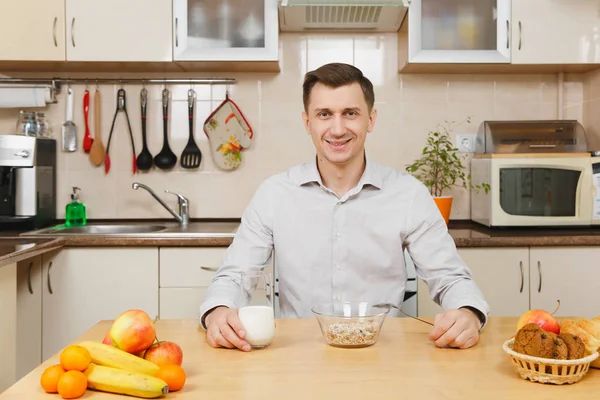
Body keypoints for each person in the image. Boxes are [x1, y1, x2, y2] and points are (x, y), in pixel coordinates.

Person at [199, 62, 490, 352]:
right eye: (324, 114)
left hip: (383, 357)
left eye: (350, 113)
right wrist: (218, 311)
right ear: (307, 122)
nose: (337, 129)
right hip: (295, 358)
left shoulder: (408, 194)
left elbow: (450, 278)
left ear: (371, 120)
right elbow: (236, 275)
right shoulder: (274, 194)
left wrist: (468, 313)